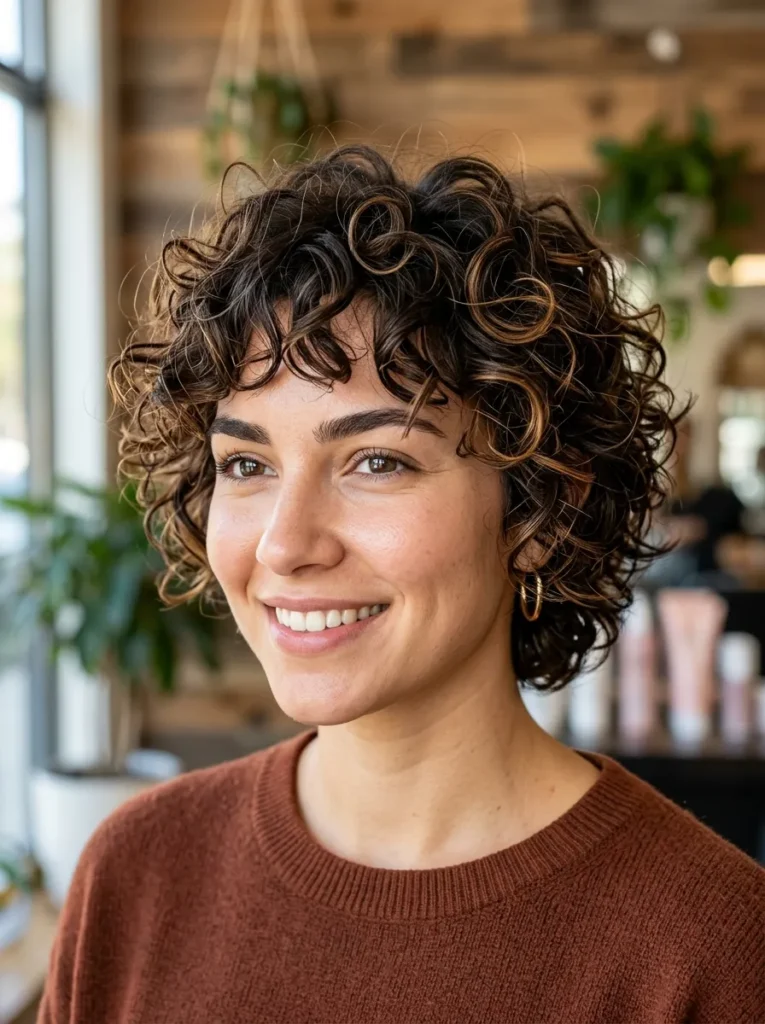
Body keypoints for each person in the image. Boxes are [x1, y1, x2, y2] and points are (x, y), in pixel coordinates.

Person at [40, 146, 765, 1024]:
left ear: (535, 511)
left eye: (376, 460)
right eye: (245, 462)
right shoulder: (136, 876)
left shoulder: (712, 948)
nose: (284, 543)